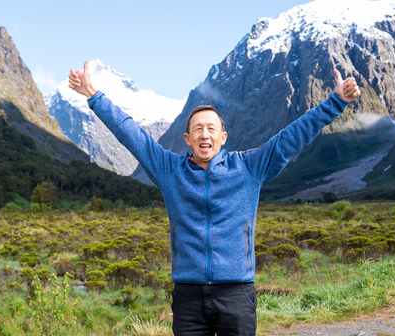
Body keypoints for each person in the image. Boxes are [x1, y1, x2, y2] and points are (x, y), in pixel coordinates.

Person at [68, 60, 360, 336]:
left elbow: (292, 137)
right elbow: (131, 134)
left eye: (211, 128)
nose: (204, 134)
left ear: (223, 137)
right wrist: (93, 95)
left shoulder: (249, 167)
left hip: (236, 294)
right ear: (187, 139)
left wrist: (336, 102)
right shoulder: (169, 170)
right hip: (188, 297)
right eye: (197, 129)